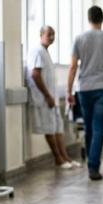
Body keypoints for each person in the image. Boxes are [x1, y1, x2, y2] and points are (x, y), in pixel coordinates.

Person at [67, 6, 103, 181]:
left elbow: (72, 67)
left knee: (89, 127)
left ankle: (91, 164)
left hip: (84, 89)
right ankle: (93, 166)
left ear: (89, 19)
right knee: (99, 127)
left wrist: (69, 91)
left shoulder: (79, 39)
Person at [26, 26, 79, 170]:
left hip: (51, 98)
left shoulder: (45, 52)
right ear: (41, 34)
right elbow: (35, 75)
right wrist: (47, 96)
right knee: (50, 128)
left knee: (58, 127)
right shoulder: (37, 51)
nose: (51, 37)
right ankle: (58, 159)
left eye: (53, 35)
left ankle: (65, 157)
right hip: (44, 98)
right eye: (49, 34)